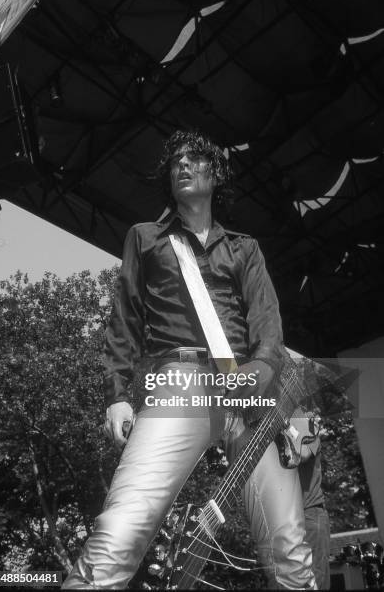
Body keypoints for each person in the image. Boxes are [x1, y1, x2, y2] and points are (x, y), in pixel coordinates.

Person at [63, 130, 318, 589]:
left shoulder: (245, 248)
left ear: (215, 173)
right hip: (178, 383)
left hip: (250, 388)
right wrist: (115, 394)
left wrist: (258, 375)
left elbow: (268, 327)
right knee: (119, 532)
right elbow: (124, 319)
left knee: (289, 549)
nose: (183, 165)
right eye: (176, 160)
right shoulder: (145, 239)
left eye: (195, 158)